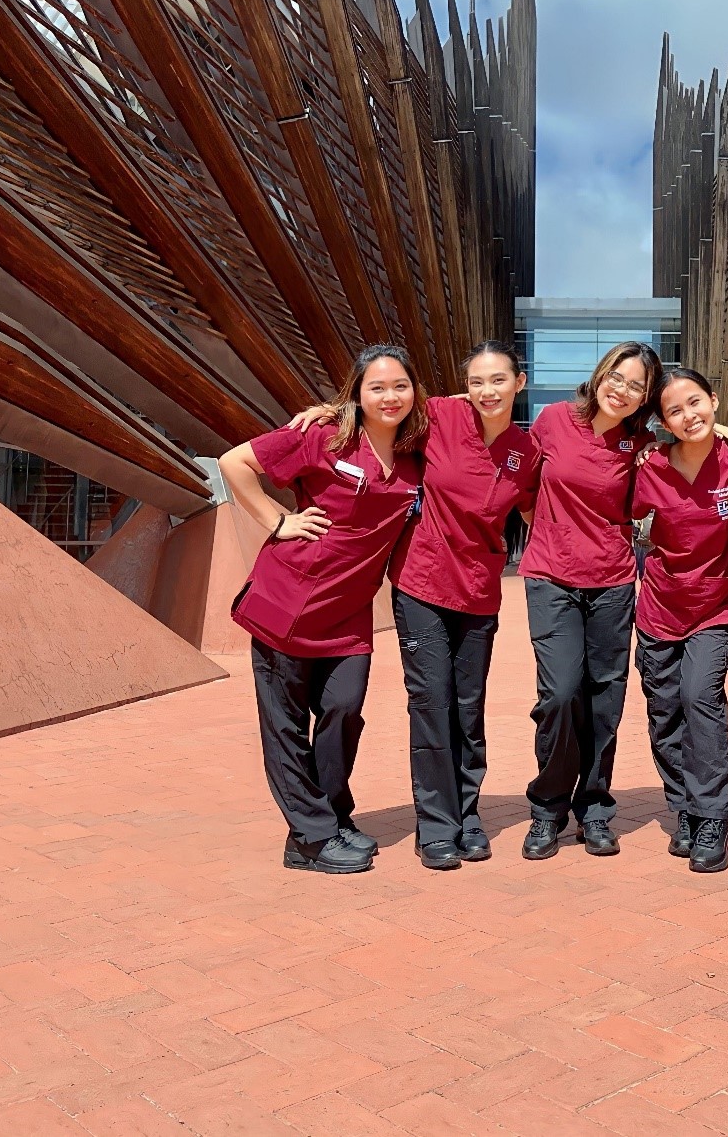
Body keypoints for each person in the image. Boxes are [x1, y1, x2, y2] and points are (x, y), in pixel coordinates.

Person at [291, 342, 541, 871]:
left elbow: (544, 505)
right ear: (464, 386)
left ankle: (468, 815)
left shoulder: (528, 449)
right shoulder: (440, 416)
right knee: (432, 703)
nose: (487, 391)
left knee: (468, 709)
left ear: (520, 384)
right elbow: (383, 414)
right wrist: (334, 411)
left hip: (479, 591)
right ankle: (437, 825)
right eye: (477, 381)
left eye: (499, 380)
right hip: (422, 584)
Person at [220, 344, 424, 875]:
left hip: (350, 610)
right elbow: (235, 462)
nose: (389, 396)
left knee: (342, 711)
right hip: (287, 601)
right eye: (376, 387)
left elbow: (471, 404)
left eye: (399, 385)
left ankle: (329, 816)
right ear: (357, 392)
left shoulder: (413, 453)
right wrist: (275, 519)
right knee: (285, 725)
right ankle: (310, 838)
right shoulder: (324, 437)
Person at [517, 341, 663, 859]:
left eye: (637, 385)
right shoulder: (554, 421)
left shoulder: (641, 444)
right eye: (617, 377)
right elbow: (524, 490)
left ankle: (596, 808)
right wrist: (552, 535)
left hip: (612, 582)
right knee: (559, 694)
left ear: (646, 397)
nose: (623, 390)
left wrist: (715, 427)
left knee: (605, 698)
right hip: (551, 578)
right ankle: (547, 808)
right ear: (601, 374)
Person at [631, 369, 728, 873]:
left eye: (696, 403)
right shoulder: (651, 466)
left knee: (701, 697)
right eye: (675, 411)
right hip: (659, 605)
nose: (689, 416)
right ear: (663, 422)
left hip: (717, 605)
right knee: (665, 709)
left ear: (714, 400)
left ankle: (712, 814)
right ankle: (683, 807)